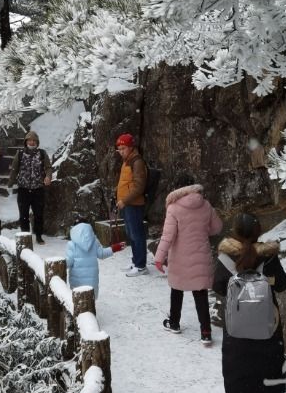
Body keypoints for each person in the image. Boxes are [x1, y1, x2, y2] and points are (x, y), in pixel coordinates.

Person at [212, 212, 286, 393]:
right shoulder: (268, 256)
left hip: (236, 327)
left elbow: (217, 286)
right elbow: (283, 284)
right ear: (258, 232)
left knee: (240, 373)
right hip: (268, 325)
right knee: (269, 370)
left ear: (235, 230)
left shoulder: (226, 256)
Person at [154, 174, 223, 344]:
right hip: (201, 255)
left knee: (176, 289)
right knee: (200, 293)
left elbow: (168, 236)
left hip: (180, 257)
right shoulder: (206, 205)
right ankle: (206, 332)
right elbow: (217, 228)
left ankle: (175, 323)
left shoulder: (173, 207)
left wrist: (159, 257)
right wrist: (201, 229)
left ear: (177, 188)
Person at [8, 131, 52, 244]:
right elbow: (14, 169)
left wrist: (48, 177)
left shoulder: (42, 154)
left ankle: (38, 236)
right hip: (23, 189)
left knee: (38, 214)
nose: (31, 142)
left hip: (38, 190)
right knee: (23, 215)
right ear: (26, 142)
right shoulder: (20, 153)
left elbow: (48, 167)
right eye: (29, 140)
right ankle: (25, 237)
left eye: (34, 140)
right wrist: (10, 183)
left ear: (37, 142)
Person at [66, 218, 125, 299]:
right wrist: (115, 248)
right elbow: (102, 254)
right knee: (90, 301)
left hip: (77, 281)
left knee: (78, 302)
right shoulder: (94, 241)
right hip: (92, 282)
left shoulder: (71, 244)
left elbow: (68, 262)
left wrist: (61, 264)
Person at [115, 133, 148, 276]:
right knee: (131, 234)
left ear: (130, 147)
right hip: (127, 204)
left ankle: (141, 266)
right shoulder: (127, 160)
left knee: (137, 234)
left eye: (123, 148)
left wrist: (124, 200)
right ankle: (136, 261)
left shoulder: (137, 162)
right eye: (119, 149)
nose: (121, 151)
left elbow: (139, 186)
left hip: (134, 204)